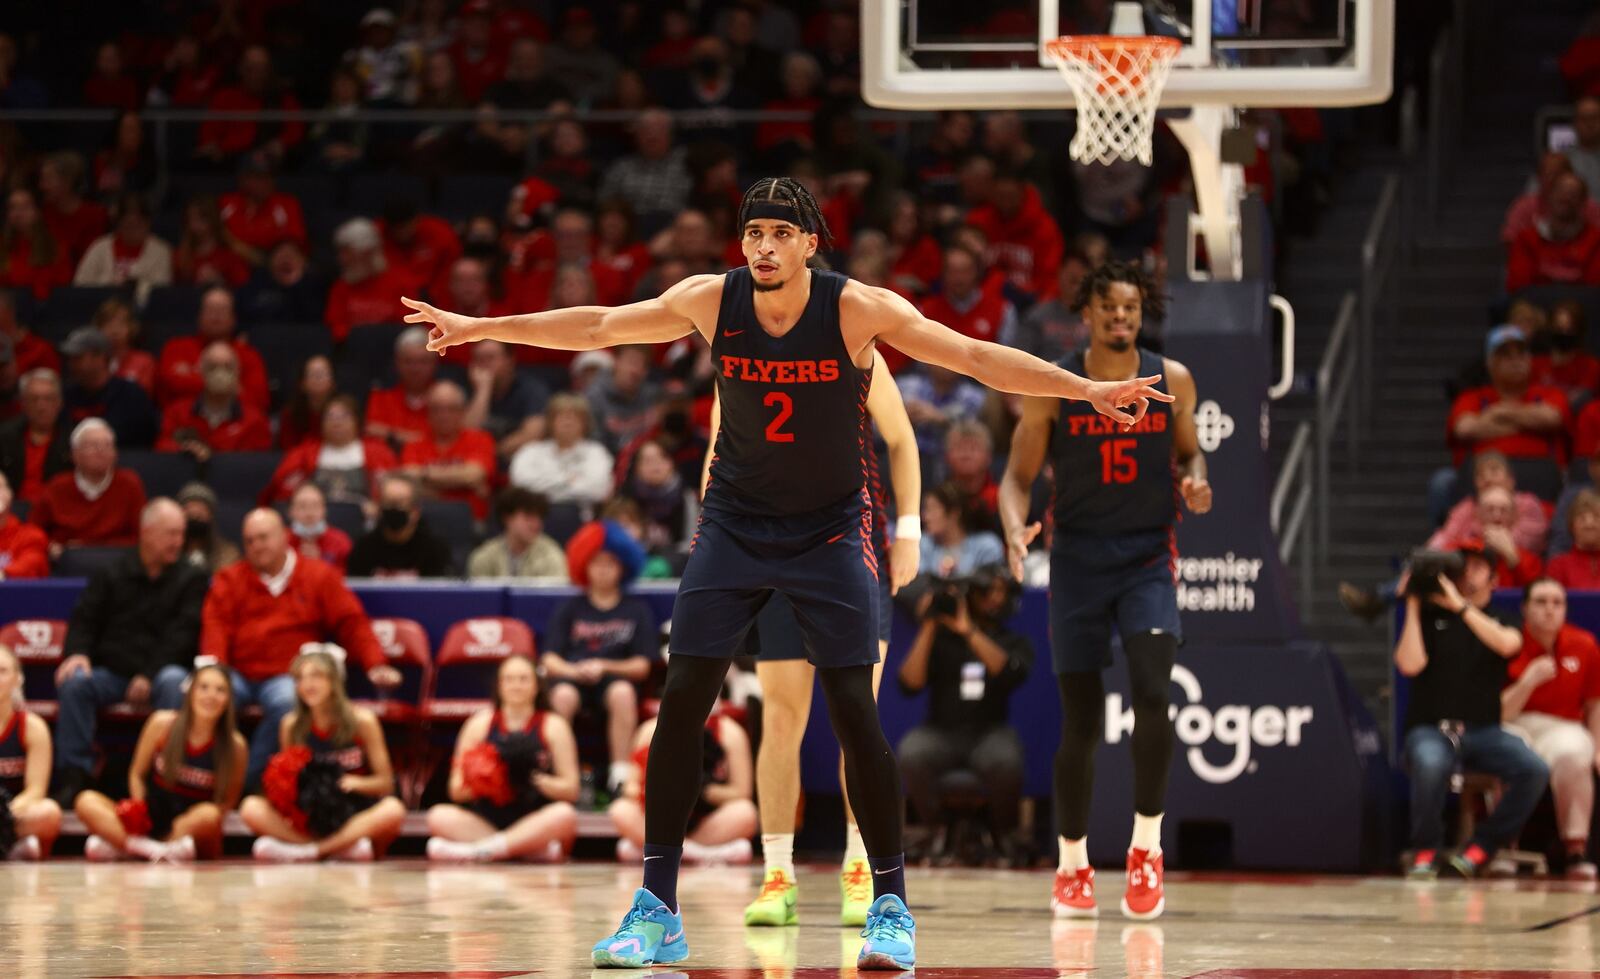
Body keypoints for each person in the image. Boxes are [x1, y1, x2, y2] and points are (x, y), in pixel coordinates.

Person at [405, 175, 1168, 970]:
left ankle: (889, 907)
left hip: (831, 530)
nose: (763, 247)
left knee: (853, 713)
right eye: (752, 233)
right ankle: (656, 907)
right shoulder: (712, 299)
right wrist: (477, 325)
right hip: (734, 524)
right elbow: (598, 325)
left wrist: (1082, 388)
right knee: (682, 702)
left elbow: (975, 356)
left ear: (810, 243)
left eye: (779, 233)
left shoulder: (855, 309)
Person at [999, 260, 1211, 921]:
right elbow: (1015, 479)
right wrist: (1013, 527)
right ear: (1085, 314)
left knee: (1153, 691)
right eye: (1109, 307)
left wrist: (1195, 480)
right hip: (1079, 562)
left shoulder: (1171, 379)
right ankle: (1073, 860)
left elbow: (1191, 452)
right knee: (1082, 723)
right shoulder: (1056, 386)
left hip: (1147, 556)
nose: (1121, 317)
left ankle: (1146, 848)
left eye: (1131, 308)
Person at [736, 347, 921, 929]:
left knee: (855, 716)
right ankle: (777, 874)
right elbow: (722, 449)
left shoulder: (854, 345)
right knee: (781, 721)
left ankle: (860, 865)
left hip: (852, 551)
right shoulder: (744, 350)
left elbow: (903, 440)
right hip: (773, 553)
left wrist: (911, 532)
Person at [176, 509, 401, 786]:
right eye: (249, 541)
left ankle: (246, 783)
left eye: (263, 538)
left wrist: (375, 663)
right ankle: (197, 780)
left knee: (287, 701)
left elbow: (351, 622)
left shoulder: (318, 575)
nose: (257, 546)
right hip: (237, 674)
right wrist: (214, 675)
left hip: (288, 676)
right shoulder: (229, 579)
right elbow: (215, 627)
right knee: (206, 697)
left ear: (285, 536)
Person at [1394, 543, 1549, 879]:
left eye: (1478, 567)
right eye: (1464, 565)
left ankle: (1481, 847)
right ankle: (1426, 848)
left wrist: (1460, 606)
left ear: (1494, 580)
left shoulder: (1501, 619)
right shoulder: (1431, 616)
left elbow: (1508, 645)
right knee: (1431, 761)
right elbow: (1409, 664)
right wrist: (1413, 603)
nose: (1467, 571)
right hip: (1432, 729)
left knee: (1533, 768)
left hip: (1483, 731)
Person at [53, 498, 206, 804]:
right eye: (171, 534)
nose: (179, 541)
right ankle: (75, 776)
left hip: (161, 672)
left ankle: (166, 779)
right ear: (146, 532)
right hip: (113, 672)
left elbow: (183, 636)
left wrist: (148, 675)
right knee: (75, 682)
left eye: (181, 534)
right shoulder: (112, 572)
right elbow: (85, 618)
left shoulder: (192, 577)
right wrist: (78, 652)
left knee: (175, 681)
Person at [897, 565, 1031, 856]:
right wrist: (930, 625)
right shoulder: (941, 637)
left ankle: (1002, 833)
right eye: (987, 590)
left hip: (989, 731)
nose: (995, 598)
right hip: (941, 730)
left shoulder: (1011, 640)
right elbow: (908, 683)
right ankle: (936, 830)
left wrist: (968, 630)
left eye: (1001, 591)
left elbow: (1009, 672)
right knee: (912, 751)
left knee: (1007, 759)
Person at [239, 647, 407, 862]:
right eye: (300, 678)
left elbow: (385, 783)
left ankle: (313, 851)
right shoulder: (291, 725)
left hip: (354, 807)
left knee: (393, 810)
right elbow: (286, 782)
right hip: (312, 814)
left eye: (316, 676)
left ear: (334, 681)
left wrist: (353, 783)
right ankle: (328, 848)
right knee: (250, 807)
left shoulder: (363, 721)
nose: (308, 684)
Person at [74, 663, 247, 862]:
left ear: (229, 700)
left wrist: (196, 826)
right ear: (190, 692)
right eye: (204, 687)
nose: (210, 696)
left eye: (220, 690)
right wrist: (140, 813)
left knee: (209, 815)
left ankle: (128, 848)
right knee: (85, 801)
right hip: (152, 816)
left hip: (187, 828)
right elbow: (137, 774)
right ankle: (152, 850)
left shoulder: (236, 746)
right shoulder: (161, 723)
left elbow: (225, 802)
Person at [425, 654, 579, 862]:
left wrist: (533, 779)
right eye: (509, 679)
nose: (516, 685)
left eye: (523, 679)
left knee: (564, 814)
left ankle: (482, 851)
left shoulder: (554, 725)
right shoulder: (478, 724)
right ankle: (526, 850)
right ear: (499, 685)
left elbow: (571, 789)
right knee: (438, 816)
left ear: (536, 686)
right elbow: (455, 790)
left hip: (534, 817)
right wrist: (493, 780)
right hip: (487, 819)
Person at [542, 521, 655, 796]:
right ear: (583, 566)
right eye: (596, 563)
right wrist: (574, 671)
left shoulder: (636, 610)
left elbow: (642, 665)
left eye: (610, 564)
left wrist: (604, 666)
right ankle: (559, 772)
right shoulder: (569, 608)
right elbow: (549, 659)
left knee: (622, 693)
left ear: (623, 567)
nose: (603, 570)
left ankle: (620, 776)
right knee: (562, 697)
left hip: (615, 678)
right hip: (573, 677)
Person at [1503, 578, 1600, 879]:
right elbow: (1498, 712)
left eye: (1557, 603)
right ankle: (1505, 847)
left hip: (1564, 727)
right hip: (1515, 722)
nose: (1549, 610)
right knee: (1506, 751)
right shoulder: (1507, 644)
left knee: (1574, 753)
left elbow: (1595, 704)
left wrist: (1599, 747)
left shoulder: (1583, 645)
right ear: (1524, 608)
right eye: (1541, 602)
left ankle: (1575, 849)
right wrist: (1528, 681)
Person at [608, 712, 757, 866]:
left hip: (705, 818)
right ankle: (702, 854)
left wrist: (704, 791)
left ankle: (657, 852)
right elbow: (630, 786)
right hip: (659, 818)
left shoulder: (731, 732)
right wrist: (648, 791)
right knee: (620, 810)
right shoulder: (649, 730)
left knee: (746, 812)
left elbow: (742, 792)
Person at [31, 418, 146, 551]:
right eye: (92, 445)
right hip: (67, 563)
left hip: (115, 560)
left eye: (107, 445)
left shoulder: (129, 484)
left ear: (115, 454)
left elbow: (141, 535)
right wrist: (51, 546)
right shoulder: (57, 487)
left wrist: (92, 548)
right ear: (74, 454)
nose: (100, 451)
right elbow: (33, 531)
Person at [263, 395, 397, 505]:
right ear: (321, 423)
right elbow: (282, 490)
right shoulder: (303, 454)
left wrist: (377, 507)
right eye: (330, 417)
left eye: (344, 416)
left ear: (357, 421)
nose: (337, 423)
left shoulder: (379, 453)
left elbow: (394, 492)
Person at [156, 286, 269, 413]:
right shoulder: (176, 347)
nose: (216, 315)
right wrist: (231, 385)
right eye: (210, 309)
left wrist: (193, 375)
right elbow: (169, 387)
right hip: (184, 424)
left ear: (233, 318)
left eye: (222, 310)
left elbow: (258, 400)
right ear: (199, 316)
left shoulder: (249, 355)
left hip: (236, 427)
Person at [156, 342, 273, 460]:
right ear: (200, 370)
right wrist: (182, 450)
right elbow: (162, 449)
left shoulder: (254, 421)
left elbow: (257, 465)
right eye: (212, 367)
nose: (220, 374)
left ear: (237, 372)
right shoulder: (177, 413)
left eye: (227, 367)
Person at [398, 380, 496, 521]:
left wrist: (424, 475)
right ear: (428, 413)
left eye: (451, 409)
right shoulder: (414, 444)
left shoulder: (481, 439)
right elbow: (410, 482)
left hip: (471, 522)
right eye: (436, 409)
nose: (444, 415)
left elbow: (474, 475)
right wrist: (463, 487)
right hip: (425, 520)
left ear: (463, 411)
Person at [0, 644, 63, 859]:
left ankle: (10, 844)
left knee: (49, 813)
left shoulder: (32, 727)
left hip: (15, 813)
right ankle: (15, 849)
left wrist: (4, 814)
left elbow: (36, 790)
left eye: (2, 671)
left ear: (18, 679)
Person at [507, 393, 614, 509]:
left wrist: (547, 483)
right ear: (550, 422)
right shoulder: (530, 452)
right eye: (561, 416)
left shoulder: (597, 453)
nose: (567, 422)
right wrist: (569, 480)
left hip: (582, 515)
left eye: (574, 417)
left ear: (585, 424)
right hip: (537, 513)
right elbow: (522, 485)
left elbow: (598, 490)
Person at [61, 327, 158, 448]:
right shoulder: (66, 395)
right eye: (70, 359)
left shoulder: (130, 395)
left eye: (78, 358)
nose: (71, 364)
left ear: (100, 358)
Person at [1506, 172, 1600, 292]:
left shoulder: (1596, 239)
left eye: (1573, 194)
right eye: (1561, 192)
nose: (1566, 198)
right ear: (1549, 196)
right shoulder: (1526, 239)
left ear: (1583, 201)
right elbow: (1518, 284)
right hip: (1534, 302)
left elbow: (1595, 284)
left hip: (1583, 302)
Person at [347, 473, 453, 578]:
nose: (393, 509)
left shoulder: (434, 550)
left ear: (415, 511)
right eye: (387, 502)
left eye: (399, 504)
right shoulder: (363, 548)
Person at [325, 218, 411, 342]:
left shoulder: (400, 284)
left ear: (367, 253)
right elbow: (335, 328)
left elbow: (405, 327)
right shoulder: (341, 288)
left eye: (347, 252)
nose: (342, 260)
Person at [73, 193, 172, 300]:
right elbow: (80, 286)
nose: (134, 231)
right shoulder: (99, 247)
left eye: (138, 225)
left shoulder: (160, 251)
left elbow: (161, 291)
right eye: (128, 225)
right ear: (119, 224)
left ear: (148, 223)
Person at [464, 338, 548, 457]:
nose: (484, 365)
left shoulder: (531, 389)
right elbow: (467, 433)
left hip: (517, 460)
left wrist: (489, 452)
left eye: (490, 358)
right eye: (479, 359)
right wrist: (483, 391)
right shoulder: (467, 386)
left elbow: (533, 434)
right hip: (476, 461)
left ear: (510, 360)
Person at [0, 368, 70, 505]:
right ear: (23, 404)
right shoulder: (4, 438)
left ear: (59, 403)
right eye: (34, 399)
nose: (41, 406)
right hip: (10, 510)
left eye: (48, 399)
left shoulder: (74, 440)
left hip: (56, 511)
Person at [466, 487, 566, 580]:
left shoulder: (552, 556)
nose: (536, 524)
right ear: (507, 518)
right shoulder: (484, 557)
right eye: (528, 517)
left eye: (539, 518)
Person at [365, 327, 437, 447]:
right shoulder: (381, 397)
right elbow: (372, 433)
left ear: (434, 363)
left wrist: (391, 435)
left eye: (423, 361)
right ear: (397, 363)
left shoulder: (445, 398)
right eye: (408, 361)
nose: (415, 369)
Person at [920, 483, 1003, 577]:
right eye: (925, 509)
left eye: (933, 509)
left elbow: (993, 587)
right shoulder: (922, 545)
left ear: (954, 513)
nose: (925, 517)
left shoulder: (986, 546)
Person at [94, 298, 157, 396]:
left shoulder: (145, 362)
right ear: (99, 328)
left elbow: (143, 398)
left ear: (131, 328)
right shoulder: (92, 362)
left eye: (121, 324)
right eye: (108, 324)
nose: (115, 331)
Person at [177, 482, 240, 574]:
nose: (195, 516)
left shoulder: (228, 555)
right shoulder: (170, 553)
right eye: (190, 511)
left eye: (201, 511)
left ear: (211, 516)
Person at [288, 482, 352, 572]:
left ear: (324, 510)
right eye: (302, 506)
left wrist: (319, 563)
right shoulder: (281, 541)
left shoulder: (340, 541)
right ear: (291, 511)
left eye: (315, 506)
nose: (309, 513)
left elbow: (346, 579)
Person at [278, 355, 335, 452]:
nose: (318, 379)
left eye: (323, 374)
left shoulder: (342, 412)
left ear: (333, 382)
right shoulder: (290, 413)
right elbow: (288, 450)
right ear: (302, 383)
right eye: (313, 374)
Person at [1547, 489, 1600, 590]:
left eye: (1597, 517)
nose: (1589, 524)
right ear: (1571, 526)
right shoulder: (1558, 566)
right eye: (1581, 518)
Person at [0, 471, 47, 578]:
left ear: (10, 495)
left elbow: (30, 566)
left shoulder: (31, 536)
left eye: (0, 487)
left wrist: (4, 574)